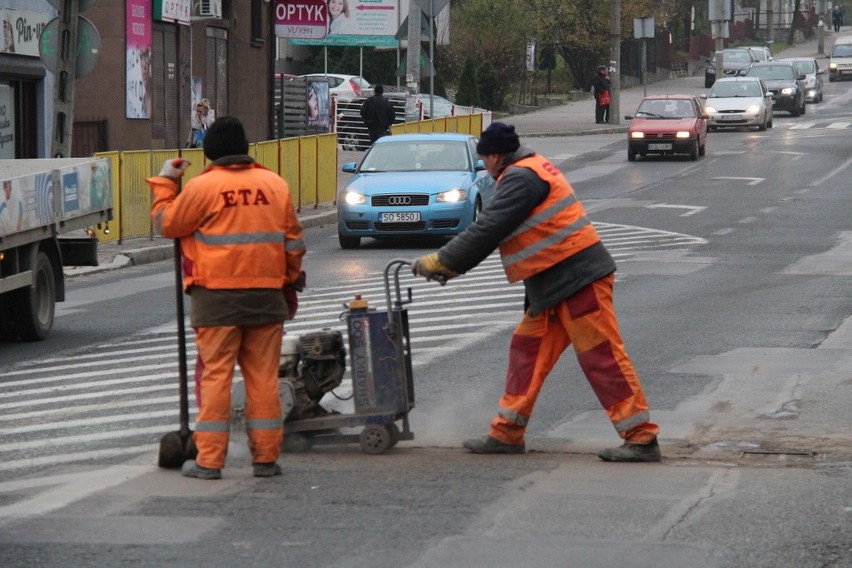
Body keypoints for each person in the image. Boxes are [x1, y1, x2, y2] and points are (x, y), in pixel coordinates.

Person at [410, 122, 661, 462]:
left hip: (577, 279)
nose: (484, 165)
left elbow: (490, 226)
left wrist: (442, 261)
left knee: (601, 356)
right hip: (555, 285)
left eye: (484, 159)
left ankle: (641, 437)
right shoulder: (526, 170)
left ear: (496, 156)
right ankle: (507, 433)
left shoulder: (521, 177)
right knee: (526, 351)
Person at [146, 116, 306, 480]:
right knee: (264, 380)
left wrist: (166, 182)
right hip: (267, 298)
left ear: (209, 153)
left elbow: (166, 224)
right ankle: (265, 459)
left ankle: (210, 461)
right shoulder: (275, 185)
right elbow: (294, 244)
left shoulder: (203, 188)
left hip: (216, 300)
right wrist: (291, 281)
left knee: (216, 377)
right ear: (246, 149)